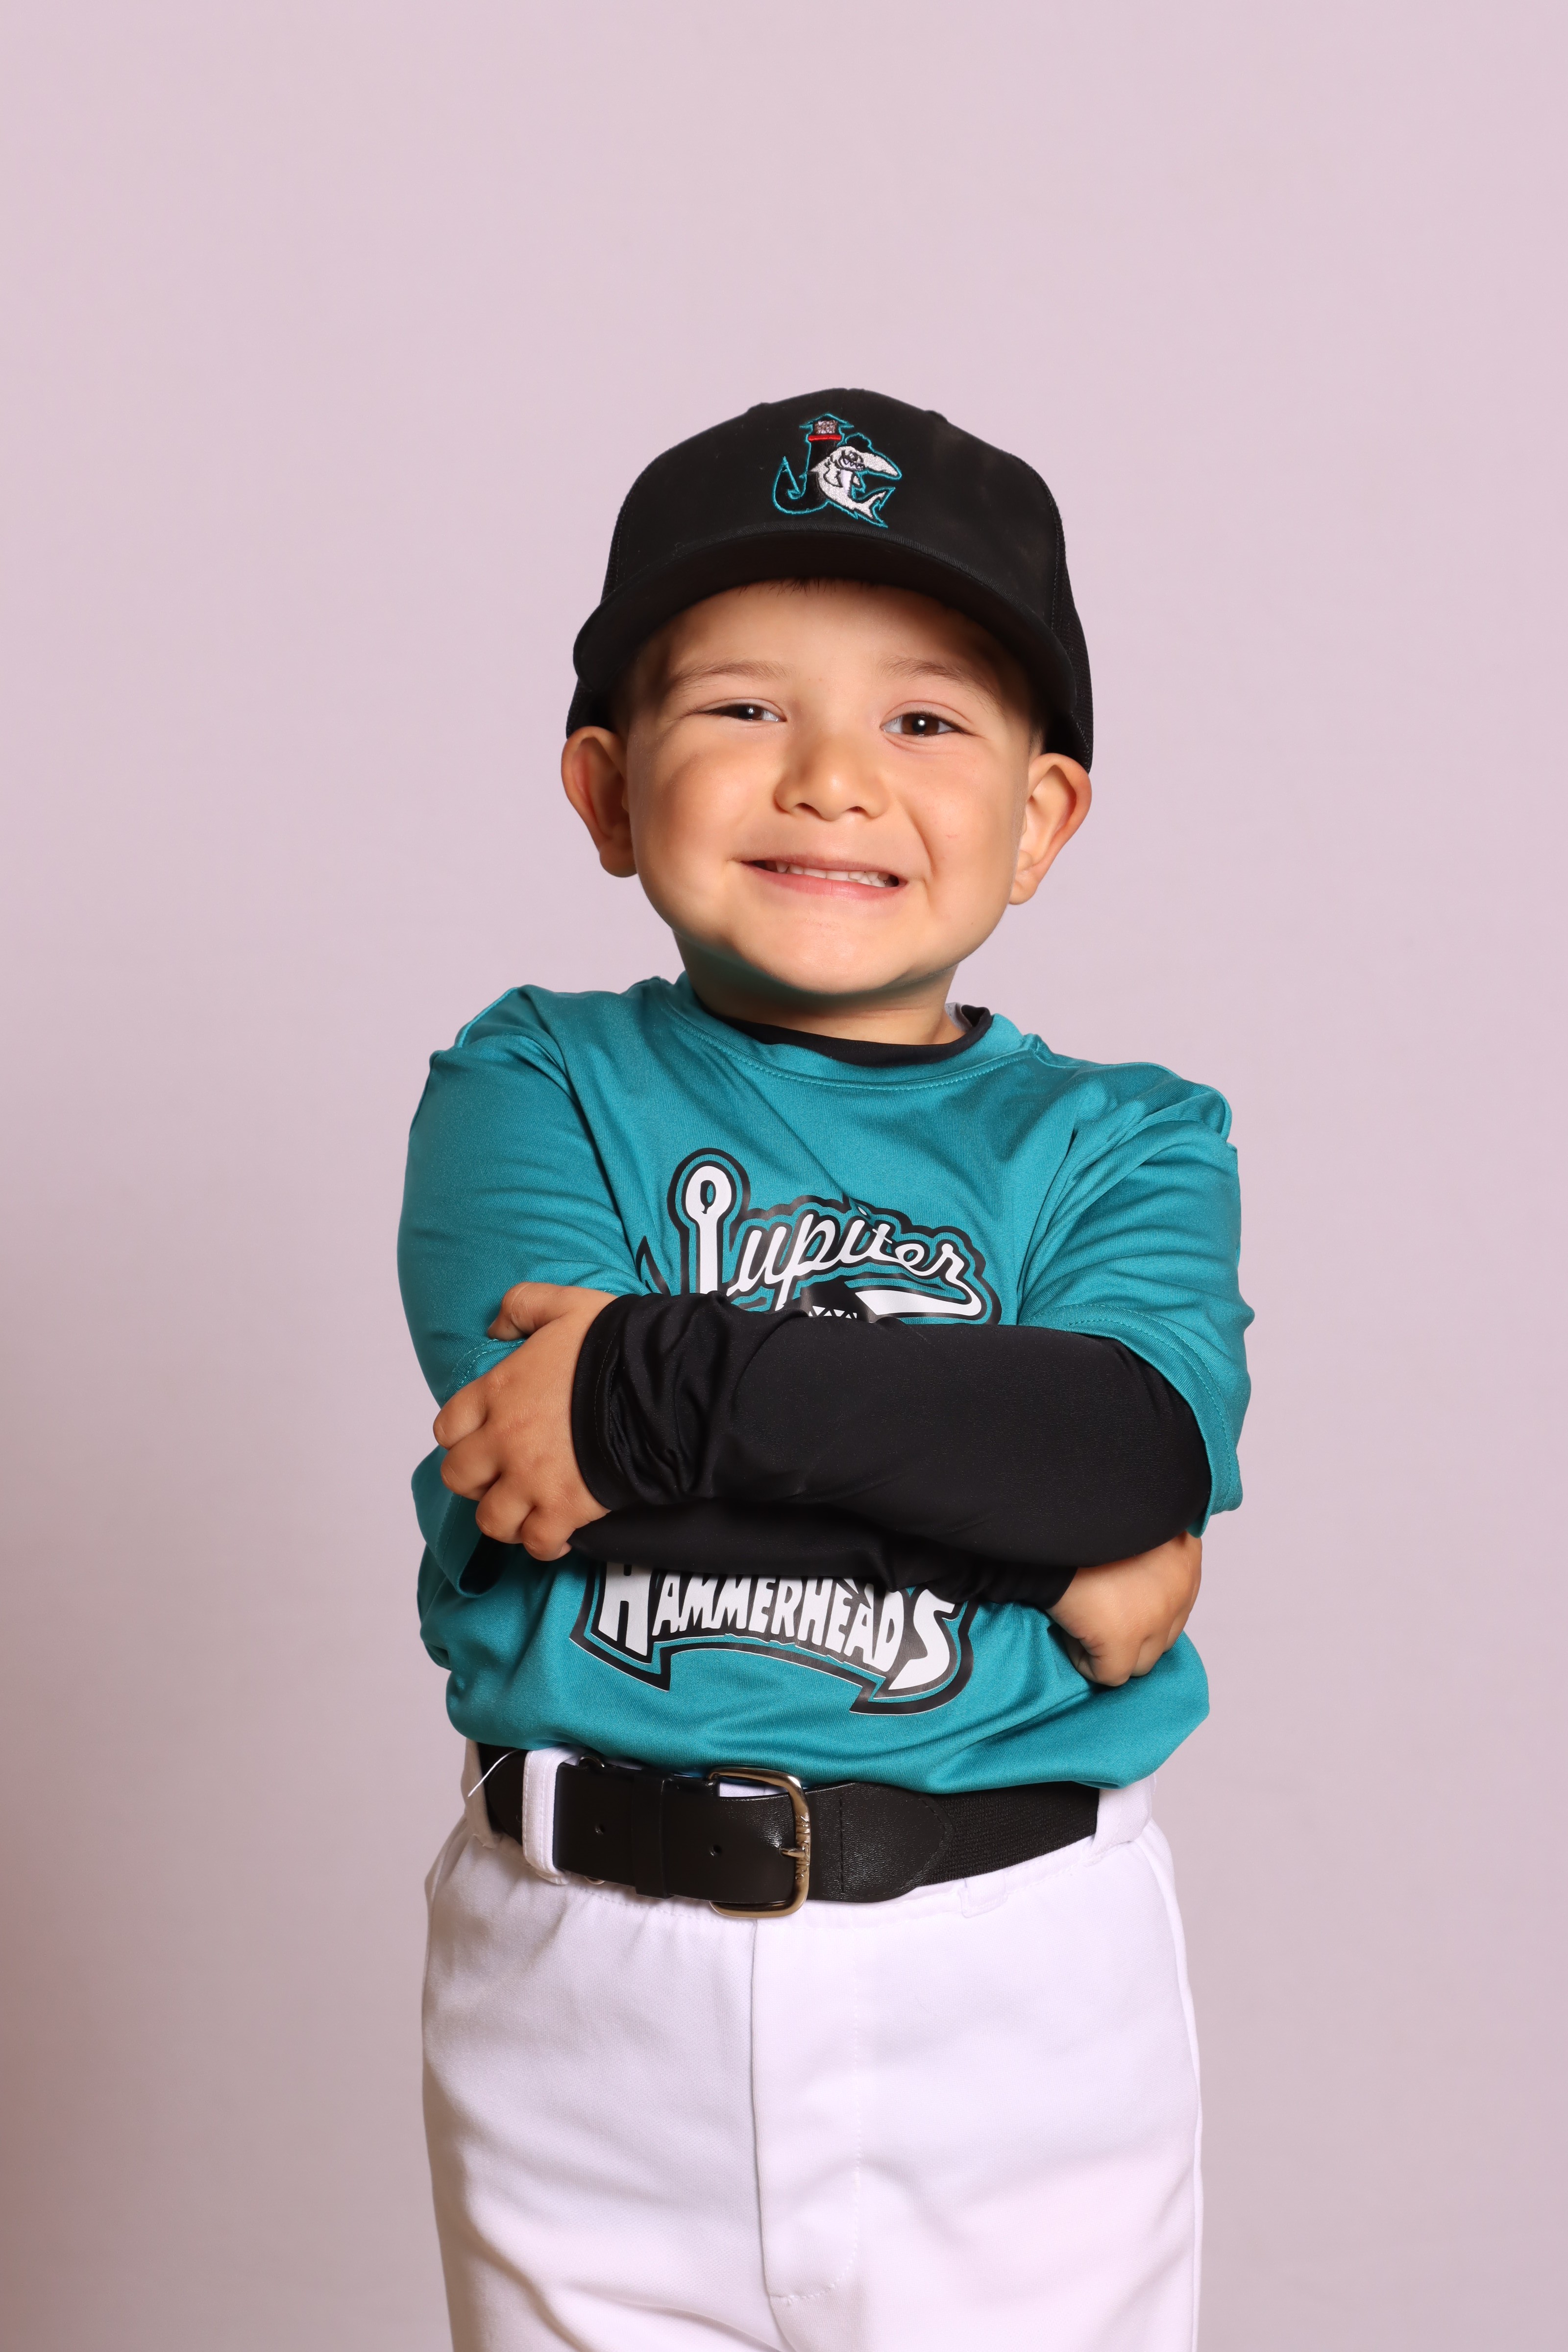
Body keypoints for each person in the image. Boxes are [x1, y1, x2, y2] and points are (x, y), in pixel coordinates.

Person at [397, 388, 1252, 2352]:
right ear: (608, 793)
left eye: (924, 722)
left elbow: (1115, 1449)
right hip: (585, 1992)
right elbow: (541, 1467)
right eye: (742, 707)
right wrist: (1020, 1516)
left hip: (1014, 1987)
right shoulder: (533, 1081)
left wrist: (645, 1388)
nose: (832, 780)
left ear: (1039, 820)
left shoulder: (1127, 1141)